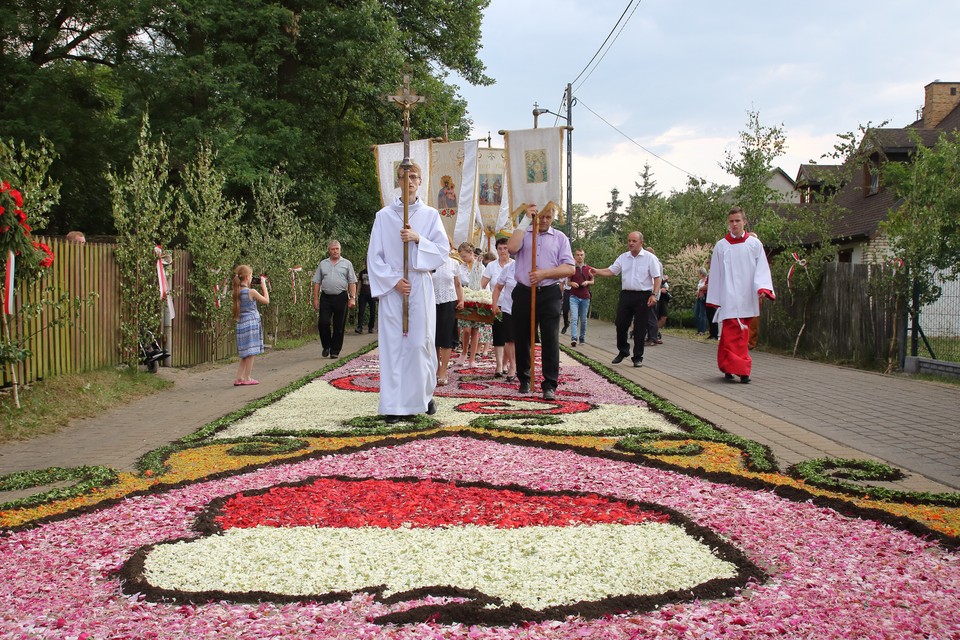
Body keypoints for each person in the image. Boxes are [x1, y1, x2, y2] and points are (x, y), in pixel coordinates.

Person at [367, 162, 449, 422]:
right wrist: (393, 280)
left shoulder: (430, 215)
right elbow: (374, 257)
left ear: (421, 181)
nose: (410, 180)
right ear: (398, 180)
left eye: (414, 176)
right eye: (405, 176)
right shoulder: (383, 216)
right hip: (393, 288)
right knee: (392, 346)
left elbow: (442, 252)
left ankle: (421, 397)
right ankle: (393, 405)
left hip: (420, 284)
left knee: (418, 344)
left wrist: (417, 239)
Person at [505, 203, 575, 400]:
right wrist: (526, 219)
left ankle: (549, 383)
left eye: (548, 217)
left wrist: (544, 274)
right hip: (524, 291)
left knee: (550, 338)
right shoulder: (523, 233)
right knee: (523, 337)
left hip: (549, 293)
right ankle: (525, 378)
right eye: (540, 216)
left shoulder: (560, 238)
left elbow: (569, 268)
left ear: (552, 217)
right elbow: (511, 248)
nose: (544, 220)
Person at [706, 206, 776, 384]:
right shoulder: (721, 246)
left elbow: (761, 269)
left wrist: (763, 288)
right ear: (728, 223)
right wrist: (714, 298)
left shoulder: (754, 245)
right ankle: (741, 369)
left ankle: (730, 366)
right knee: (730, 334)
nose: (734, 224)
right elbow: (716, 273)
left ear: (744, 222)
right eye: (731, 221)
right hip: (728, 297)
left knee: (742, 335)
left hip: (747, 297)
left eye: (737, 221)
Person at [593, 231, 662, 368]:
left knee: (640, 328)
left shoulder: (650, 258)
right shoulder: (623, 257)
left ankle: (637, 357)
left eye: (634, 241)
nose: (630, 243)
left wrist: (654, 294)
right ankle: (623, 350)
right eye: (629, 240)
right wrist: (597, 271)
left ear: (641, 242)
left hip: (643, 295)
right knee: (620, 324)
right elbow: (612, 271)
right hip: (626, 295)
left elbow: (657, 277)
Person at [312, 240, 358, 359]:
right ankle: (326, 346)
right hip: (326, 297)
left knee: (339, 325)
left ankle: (335, 350)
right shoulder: (323, 264)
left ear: (340, 250)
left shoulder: (347, 264)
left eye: (337, 249)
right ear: (329, 250)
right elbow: (317, 282)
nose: (335, 251)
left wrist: (353, 298)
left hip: (341, 297)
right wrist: (316, 299)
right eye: (333, 249)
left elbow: (352, 282)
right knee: (323, 322)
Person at [481, 237, 514, 376]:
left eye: (505, 248)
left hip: (512, 305)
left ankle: (507, 363)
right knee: (499, 335)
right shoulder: (492, 266)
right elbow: (482, 284)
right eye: (500, 248)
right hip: (497, 304)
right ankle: (499, 366)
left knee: (510, 337)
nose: (502, 251)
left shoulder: (515, 265)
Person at [433, 243, 465, 386]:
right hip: (431, 302)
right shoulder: (429, 262)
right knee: (433, 337)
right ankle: (436, 367)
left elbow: (458, 284)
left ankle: (443, 370)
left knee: (446, 338)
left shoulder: (454, 264)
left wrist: (461, 299)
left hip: (449, 302)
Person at [232, 265, 269, 386]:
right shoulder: (251, 292)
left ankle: (239, 378)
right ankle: (247, 377)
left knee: (245, 353)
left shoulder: (237, 291)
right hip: (251, 323)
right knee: (251, 352)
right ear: (248, 277)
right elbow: (266, 300)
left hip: (241, 323)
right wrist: (263, 285)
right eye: (252, 275)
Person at [457, 241, 488, 367]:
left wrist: (486, 299)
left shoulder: (480, 266)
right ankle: (464, 352)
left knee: (475, 330)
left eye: (464, 256)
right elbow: (460, 282)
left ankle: (472, 358)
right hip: (466, 298)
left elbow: (484, 283)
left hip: (478, 298)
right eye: (461, 256)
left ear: (471, 253)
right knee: (466, 329)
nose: (463, 259)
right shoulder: (460, 267)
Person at [491, 259, 518, 382]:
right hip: (509, 308)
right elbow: (498, 287)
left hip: (527, 309)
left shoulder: (534, 266)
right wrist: (495, 304)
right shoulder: (509, 267)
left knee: (525, 339)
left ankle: (524, 365)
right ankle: (512, 366)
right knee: (509, 339)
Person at [567, 249, 595, 347]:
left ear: (584, 256)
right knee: (574, 318)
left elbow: (593, 281)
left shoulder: (588, 269)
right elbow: (568, 282)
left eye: (581, 255)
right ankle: (574, 338)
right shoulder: (572, 269)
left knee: (583, 319)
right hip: (574, 296)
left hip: (585, 297)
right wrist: (572, 283)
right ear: (575, 256)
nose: (579, 257)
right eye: (578, 255)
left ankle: (582, 337)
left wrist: (587, 282)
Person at [355, 266, 376, 334]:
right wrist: (356, 293)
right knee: (361, 311)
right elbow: (360, 283)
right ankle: (360, 327)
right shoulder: (362, 272)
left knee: (372, 311)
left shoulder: (374, 271)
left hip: (372, 294)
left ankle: (371, 327)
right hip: (363, 294)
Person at [694, 266, 709, 335]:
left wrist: (701, 290)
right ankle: (699, 329)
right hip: (698, 298)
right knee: (696, 314)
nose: (698, 275)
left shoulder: (706, 280)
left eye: (699, 273)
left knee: (703, 314)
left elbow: (706, 287)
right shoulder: (700, 281)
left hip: (703, 298)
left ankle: (702, 330)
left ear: (701, 274)